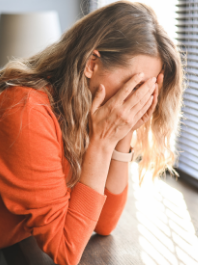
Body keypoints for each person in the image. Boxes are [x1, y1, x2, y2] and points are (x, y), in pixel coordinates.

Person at [0, 1, 184, 265]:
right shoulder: (26, 109)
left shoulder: (82, 111)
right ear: (91, 64)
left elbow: (104, 223)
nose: (133, 101)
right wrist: (101, 142)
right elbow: (65, 251)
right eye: (131, 84)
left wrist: (125, 132)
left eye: (144, 90)